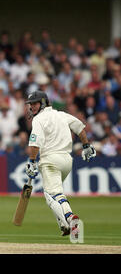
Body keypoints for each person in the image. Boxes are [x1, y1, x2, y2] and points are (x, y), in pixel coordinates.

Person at [24, 90, 96, 239]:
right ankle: (63, 225)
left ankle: (70, 218)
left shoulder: (38, 120)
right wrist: (86, 146)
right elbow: (80, 128)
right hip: (66, 161)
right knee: (56, 194)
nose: (32, 107)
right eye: (30, 104)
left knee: (52, 195)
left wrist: (31, 161)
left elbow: (35, 142)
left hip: (50, 161)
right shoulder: (61, 115)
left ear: (43, 103)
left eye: (35, 103)